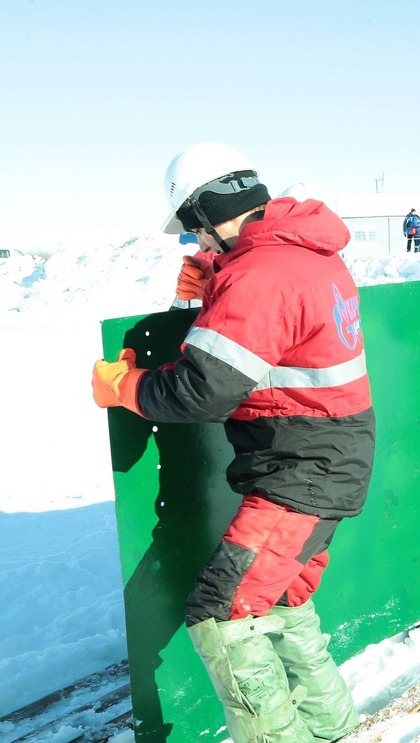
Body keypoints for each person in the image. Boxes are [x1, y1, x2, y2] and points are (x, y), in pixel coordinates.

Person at [91, 142, 374, 742]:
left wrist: (126, 386)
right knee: (285, 601)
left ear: (208, 213)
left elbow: (202, 390)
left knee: (223, 614)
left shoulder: (260, 274)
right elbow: (277, 336)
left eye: (195, 231)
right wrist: (215, 284)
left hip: (301, 470)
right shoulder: (305, 253)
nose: (196, 245)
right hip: (326, 460)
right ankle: (332, 729)